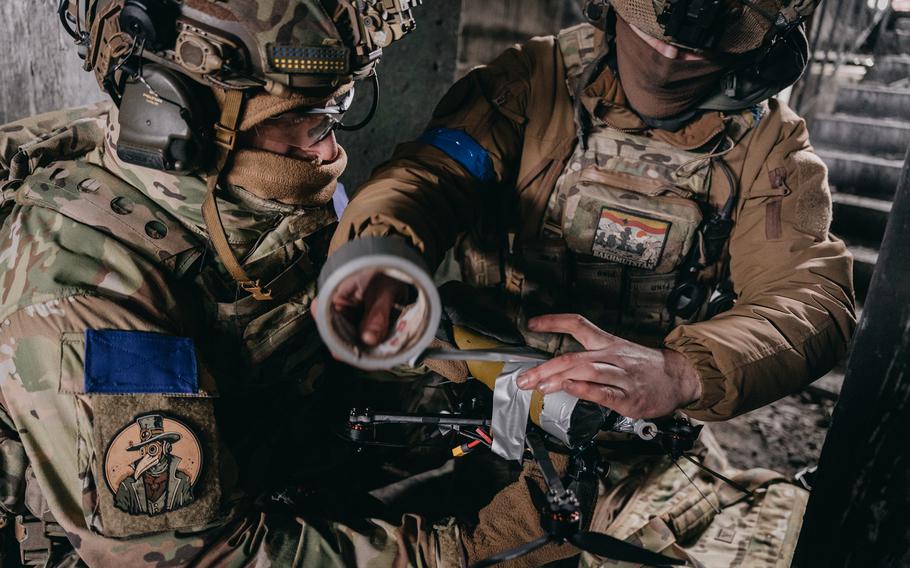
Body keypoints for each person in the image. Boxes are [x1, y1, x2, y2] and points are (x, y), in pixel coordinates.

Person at [325, 0, 856, 564]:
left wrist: (683, 371)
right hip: (466, 391)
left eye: (698, 45)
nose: (672, 51)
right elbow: (433, 176)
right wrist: (380, 250)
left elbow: (811, 297)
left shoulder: (769, 145)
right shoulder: (532, 82)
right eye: (652, 28)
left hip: (626, 440)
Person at [0, 1, 480, 566]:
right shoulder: (87, 286)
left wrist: (459, 374)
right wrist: (457, 554)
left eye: (332, 117)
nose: (327, 153)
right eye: (301, 125)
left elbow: (308, 349)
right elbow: (193, 557)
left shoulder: (248, 197)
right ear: (177, 118)